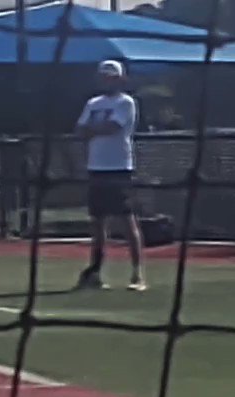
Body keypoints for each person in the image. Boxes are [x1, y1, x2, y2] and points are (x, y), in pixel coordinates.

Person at [73, 60, 144, 292]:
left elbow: (112, 127)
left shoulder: (126, 102)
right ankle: (95, 272)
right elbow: (80, 130)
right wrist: (94, 130)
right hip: (96, 168)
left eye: (111, 77)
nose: (106, 81)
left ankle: (137, 274)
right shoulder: (93, 103)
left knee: (127, 220)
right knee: (97, 223)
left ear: (120, 79)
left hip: (119, 168)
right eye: (103, 76)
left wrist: (93, 130)